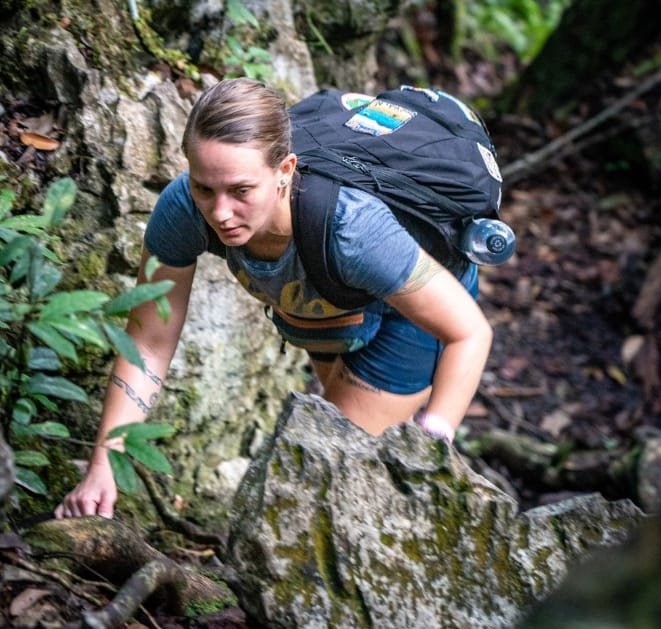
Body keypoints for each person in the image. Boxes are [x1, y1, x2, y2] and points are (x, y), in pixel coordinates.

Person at [55, 78, 492, 519]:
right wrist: (104, 464)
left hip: (415, 309)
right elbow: (148, 341)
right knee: (334, 440)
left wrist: (432, 444)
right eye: (205, 188)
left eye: (241, 191)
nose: (220, 212)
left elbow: (470, 333)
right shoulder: (184, 209)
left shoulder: (352, 230)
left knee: (326, 472)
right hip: (324, 296)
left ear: (285, 171)